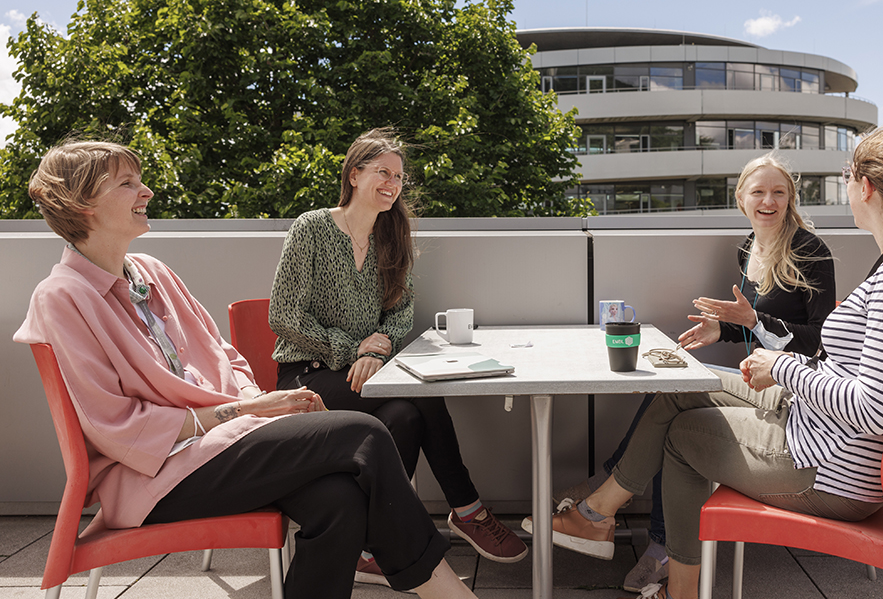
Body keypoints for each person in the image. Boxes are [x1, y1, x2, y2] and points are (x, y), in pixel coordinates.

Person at [14, 140, 479, 599]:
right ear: (81, 204)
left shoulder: (152, 272)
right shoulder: (62, 297)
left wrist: (254, 406)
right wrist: (245, 410)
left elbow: (224, 355)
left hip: (227, 443)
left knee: (341, 501)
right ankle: (449, 593)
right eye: (127, 183)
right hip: (159, 476)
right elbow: (115, 429)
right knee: (365, 433)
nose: (147, 191)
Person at [531, 125, 883, 599]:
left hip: (826, 468)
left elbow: (872, 406)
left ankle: (628, 544)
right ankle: (598, 515)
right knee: (681, 391)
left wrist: (780, 367)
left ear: (865, 186)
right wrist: (745, 338)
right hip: (821, 430)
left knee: (681, 437)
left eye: (847, 174)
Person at [555, 153, 836, 592]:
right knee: (675, 388)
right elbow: (751, 326)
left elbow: (819, 343)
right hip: (754, 379)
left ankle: (611, 507)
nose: (769, 200)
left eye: (779, 192)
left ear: (791, 199)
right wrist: (720, 328)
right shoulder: (748, 247)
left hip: (794, 393)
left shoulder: (811, 251)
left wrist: (749, 323)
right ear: (741, 198)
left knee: (679, 408)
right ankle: (629, 527)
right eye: (758, 192)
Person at [268, 129, 527, 583]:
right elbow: (283, 315)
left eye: (399, 177)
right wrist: (354, 351)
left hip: (365, 372)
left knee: (406, 413)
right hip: (306, 375)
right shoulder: (311, 228)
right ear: (354, 174)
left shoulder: (393, 236)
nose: (392, 183)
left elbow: (399, 310)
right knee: (421, 396)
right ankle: (467, 509)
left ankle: (368, 544)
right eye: (382, 172)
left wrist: (381, 345)